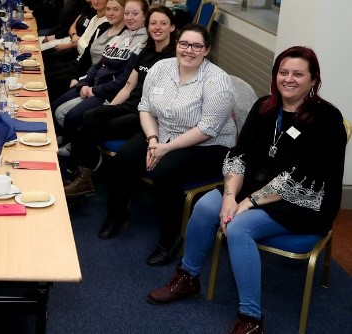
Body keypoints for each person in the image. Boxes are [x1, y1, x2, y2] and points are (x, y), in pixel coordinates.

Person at [147, 46, 347, 334]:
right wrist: (230, 196)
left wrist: (248, 202)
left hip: (304, 199)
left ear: (314, 79)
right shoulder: (265, 107)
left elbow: (304, 176)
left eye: (298, 74)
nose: (289, 79)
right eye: (283, 72)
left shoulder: (326, 118)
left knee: (239, 228)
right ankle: (188, 278)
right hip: (255, 188)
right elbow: (240, 155)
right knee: (205, 206)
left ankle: (251, 319)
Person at [100, 25, 236, 268]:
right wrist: (153, 139)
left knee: (166, 172)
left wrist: (166, 149)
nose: (189, 50)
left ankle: (169, 240)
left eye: (197, 46)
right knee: (124, 159)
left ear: (207, 50)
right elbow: (144, 107)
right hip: (162, 132)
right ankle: (117, 215)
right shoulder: (161, 68)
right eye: (184, 44)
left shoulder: (217, 80)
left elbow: (207, 129)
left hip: (208, 144)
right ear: (177, 45)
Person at [64, 6, 177, 198]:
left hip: (146, 114)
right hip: (130, 105)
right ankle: (82, 176)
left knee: (93, 125)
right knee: (90, 118)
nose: (158, 27)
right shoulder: (145, 53)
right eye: (153, 23)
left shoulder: (173, 57)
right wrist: (109, 108)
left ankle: (83, 179)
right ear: (148, 27)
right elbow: (128, 87)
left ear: (172, 27)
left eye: (163, 23)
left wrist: (107, 113)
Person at [52, 0, 147, 138]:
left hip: (109, 93)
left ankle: (71, 144)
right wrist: (84, 83)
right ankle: (67, 139)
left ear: (145, 16)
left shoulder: (142, 43)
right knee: (55, 108)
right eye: (127, 13)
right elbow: (98, 65)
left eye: (135, 14)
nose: (129, 17)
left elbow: (123, 80)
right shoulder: (120, 37)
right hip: (95, 87)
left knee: (69, 116)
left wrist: (94, 90)